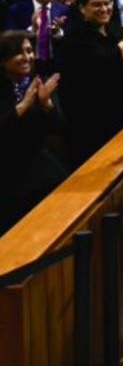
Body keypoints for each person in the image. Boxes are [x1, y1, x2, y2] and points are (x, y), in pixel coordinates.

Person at [59, 0, 123, 167]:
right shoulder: (76, 38)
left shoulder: (109, 33)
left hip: (117, 110)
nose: (103, 9)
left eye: (106, 3)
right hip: (91, 119)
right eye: (96, 5)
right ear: (82, 8)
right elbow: (105, 63)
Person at [0, 30, 65, 234]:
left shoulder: (37, 84)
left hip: (37, 168)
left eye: (29, 51)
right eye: (19, 53)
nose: (27, 57)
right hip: (8, 174)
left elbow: (59, 129)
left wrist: (46, 104)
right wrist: (24, 105)